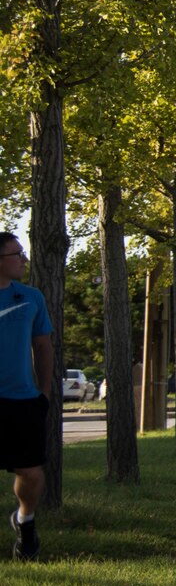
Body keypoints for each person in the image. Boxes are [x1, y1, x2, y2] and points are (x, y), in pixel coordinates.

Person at [0, 233, 54, 561]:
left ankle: (25, 521)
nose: (23, 259)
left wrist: (43, 392)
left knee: (31, 473)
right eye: (17, 254)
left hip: (22, 400)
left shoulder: (31, 297)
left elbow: (43, 346)